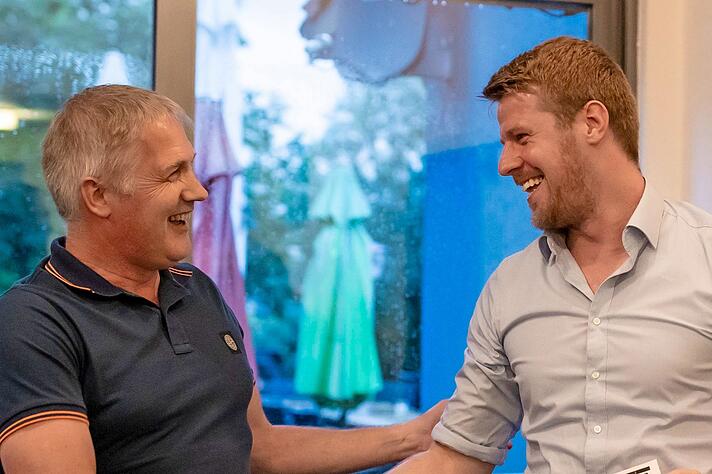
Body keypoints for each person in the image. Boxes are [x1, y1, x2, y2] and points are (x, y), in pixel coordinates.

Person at [392, 37, 712, 473]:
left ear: (593, 122)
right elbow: (456, 457)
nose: (505, 164)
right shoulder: (509, 287)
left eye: (521, 137)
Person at [0, 84, 443, 473]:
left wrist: (414, 437)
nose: (198, 190)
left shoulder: (196, 289)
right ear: (98, 196)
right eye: (173, 172)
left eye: (191, 168)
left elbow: (260, 448)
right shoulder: (34, 321)